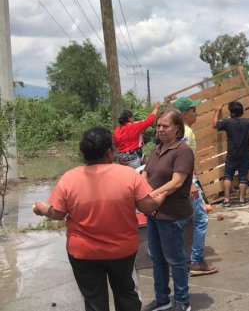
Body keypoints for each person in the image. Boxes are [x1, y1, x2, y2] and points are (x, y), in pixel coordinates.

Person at [32, 127, 167, 311]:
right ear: (110, 152)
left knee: (94, 301)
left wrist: (42, 209)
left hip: (83, 253)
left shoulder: (69, 179)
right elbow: (147, 206)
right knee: (126, 294)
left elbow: (57, 213)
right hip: (122, 251)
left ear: (84, 153)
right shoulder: (128, 175)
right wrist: (160, 199)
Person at [142, 109, 195, 311]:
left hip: (172, 214)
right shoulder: (157, 150)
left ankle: (182, 301)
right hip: (153, 213)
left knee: (176, 259)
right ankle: (162, 299)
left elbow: (177, 182)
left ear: (177, 129)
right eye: (158, 126)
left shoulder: (182, 151)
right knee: (157, 258)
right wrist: (140, 193)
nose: (161, 130)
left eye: (166, 126)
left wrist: (152, 194)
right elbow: (145, 175)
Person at [173, 96, 219, 276]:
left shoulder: (177, 131)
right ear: (184, 114)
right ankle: (196, 261)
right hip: (186, 183)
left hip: (181, 182)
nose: (196, 114)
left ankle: (178, 258)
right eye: (193, 111)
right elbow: (180, 160)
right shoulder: (186, 133)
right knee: (200, 219)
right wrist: (191, 183)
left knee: (182, 220)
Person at [212, 101, 249, 207]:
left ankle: (227, 200)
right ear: (242, 111)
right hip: (245, 156)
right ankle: (242, 200)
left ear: (232, 113)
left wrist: (217, 112)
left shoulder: (228, 122)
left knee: (228, 177)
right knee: (243, 178)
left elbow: (214, 125)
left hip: (231, 155)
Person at [113, 102, 161, 168]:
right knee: (138, 174)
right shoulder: (134, 126)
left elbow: (115, 144)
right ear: (129, 118)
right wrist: (156, 108)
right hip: (133, 156)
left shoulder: (116, 130)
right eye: (133, 117)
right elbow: (149, 120)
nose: (134, 118)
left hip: (121, 158)